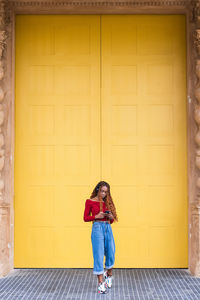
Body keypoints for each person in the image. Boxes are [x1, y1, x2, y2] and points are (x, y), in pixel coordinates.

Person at [83, 181, 118, 294]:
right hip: (97, 228)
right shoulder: (90, 201)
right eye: (102, 191)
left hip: (107, 227)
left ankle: (109, 275)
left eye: (106, 192)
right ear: (98, 189)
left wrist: (111, 216)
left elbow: (112, 221)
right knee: (98, 255)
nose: (103, 194)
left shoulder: (107, 201)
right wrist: (96, 216)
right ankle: (100, 283)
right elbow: (85, 218)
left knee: (111, 252)